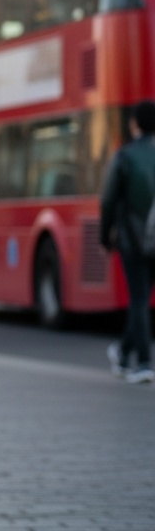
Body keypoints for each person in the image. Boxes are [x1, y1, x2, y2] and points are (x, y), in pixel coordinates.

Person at [100, 99, 155, 384]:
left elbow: (108, 201)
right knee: (142, 301)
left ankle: (144, 362)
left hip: (133, 241)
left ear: (134, 123)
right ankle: (123, 354)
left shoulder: (125, 156)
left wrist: (104, 236)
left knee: (139, 300)